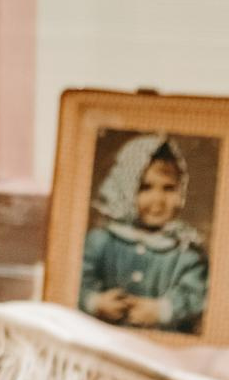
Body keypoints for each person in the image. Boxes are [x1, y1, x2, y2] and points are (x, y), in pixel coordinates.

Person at [78, 133, 209, 336]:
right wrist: (96, 302)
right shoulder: (100, 241)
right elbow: (76, 282)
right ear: (126, 188)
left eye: (169, 188)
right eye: (145, 188)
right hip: (102, 342)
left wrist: (162, 310)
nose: (158, 199)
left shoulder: (187, 252)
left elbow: (196, 296)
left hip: (162, 351)